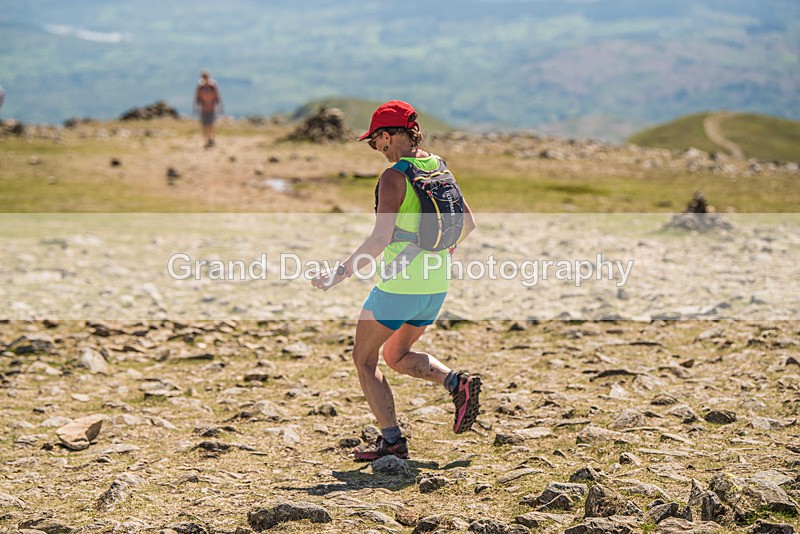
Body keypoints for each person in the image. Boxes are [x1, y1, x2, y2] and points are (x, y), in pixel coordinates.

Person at [311, 100, 480, 461]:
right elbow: (468, 224)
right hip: (435, 286)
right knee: (396, 354)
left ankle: (391, 441)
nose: (377, 150)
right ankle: (455, 382)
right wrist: (442, 250)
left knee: (364, 358)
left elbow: (379, 239)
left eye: (375, 142)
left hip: (399, 286)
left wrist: (336, 275)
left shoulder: (394, 177)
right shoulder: (439, 166)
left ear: (387, 136)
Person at [193, 70, 223, 148]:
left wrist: (219, 107)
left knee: (210, 124)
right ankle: (207, 140)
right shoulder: (200, 87)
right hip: (203, 109)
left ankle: (210, 138)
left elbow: (217, 97)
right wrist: (196, 108)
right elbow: (197, 98)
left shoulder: (212, 87)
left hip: (211, 108)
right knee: (204, 125)